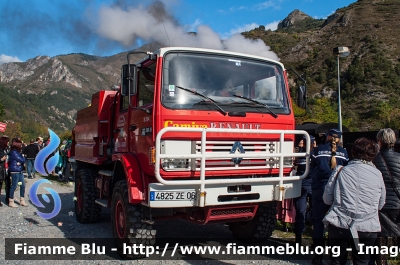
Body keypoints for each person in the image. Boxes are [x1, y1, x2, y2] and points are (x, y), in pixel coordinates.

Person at [323, 137, 385, 265]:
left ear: (353, 152)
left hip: (340, 222)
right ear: (373, 155)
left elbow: (327, 199)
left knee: (337, 261)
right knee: (362, 261)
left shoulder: (340, 170)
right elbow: (381, 203)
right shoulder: (378, 174)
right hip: (368, 226)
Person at [309, 128, 349, 265]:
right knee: (335, 224)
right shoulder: (344, 153)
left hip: (319, 190)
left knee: (318, 223)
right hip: (337, 192)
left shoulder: (317, 151)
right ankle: (334, 257)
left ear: (327, 137)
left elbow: (311, 170)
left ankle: (318, 257)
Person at [371, 128, 400, 265]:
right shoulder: (399, 158)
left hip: (380, 205)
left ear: (379, 141)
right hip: (398, 203)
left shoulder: (374, 160)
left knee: (380, 241)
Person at [293, 135, 316, 245]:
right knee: (316, 213)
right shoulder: (316, 154)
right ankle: (316, 240)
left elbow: (293, 166)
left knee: (300, 213)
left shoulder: (299, 154)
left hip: (301, 185)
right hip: (314, 185)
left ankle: (298, 239)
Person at [8, 139, 28, 208]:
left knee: (22, 185)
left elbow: (22, 160)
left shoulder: (18, 152)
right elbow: (22, 160)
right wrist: (23, 158)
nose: (22, 146)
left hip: (19, 170)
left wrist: (21, 160)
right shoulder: (14, 152)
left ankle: (22, 200)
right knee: (14, 186)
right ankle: (11, 201)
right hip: (15, 170)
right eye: (20, 144)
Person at [0, 135, 10, 206]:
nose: (8, 143)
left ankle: (8, 199)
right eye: (7, 141)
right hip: (1, 169)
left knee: (8, 185)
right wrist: (1, 160)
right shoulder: (0, 149)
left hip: (7, 169)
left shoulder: (7, 149)